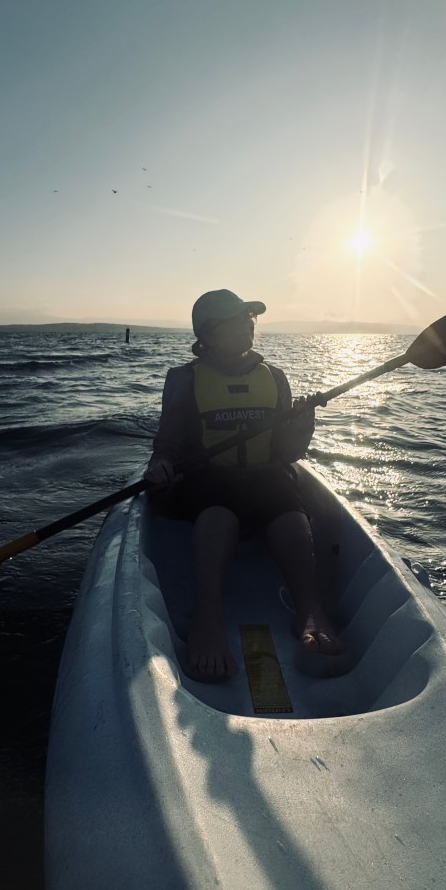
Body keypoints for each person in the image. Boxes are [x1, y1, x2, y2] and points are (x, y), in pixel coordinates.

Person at [144, 288, 343, 681]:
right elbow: (169, 443)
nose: (248, 326)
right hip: (208, 482)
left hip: (262, 478)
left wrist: (302, 423)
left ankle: (310, 609)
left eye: (250, 319)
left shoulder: (276, 377)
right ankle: (208, 616)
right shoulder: (184, 380)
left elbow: (287, 452)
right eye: (238, 320)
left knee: (289, 509)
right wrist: (162, 465)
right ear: (209, 334)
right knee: (218, 512)